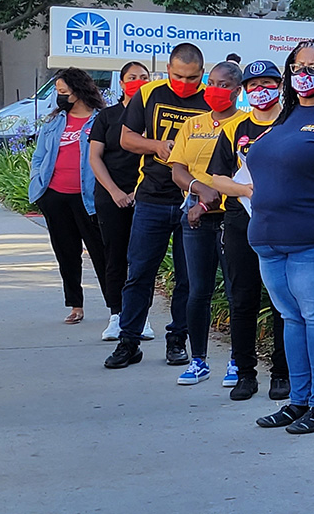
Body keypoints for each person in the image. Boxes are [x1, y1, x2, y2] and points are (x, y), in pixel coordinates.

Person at [247, 40, 314, 435]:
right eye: (297, 66)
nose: (303, 74)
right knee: (292, 319)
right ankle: (299, 400)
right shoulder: (286, 116)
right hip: (268, 240)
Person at [104, 43, 210, 369]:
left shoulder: (210, 97)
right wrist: (159, 146)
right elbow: (125, 139)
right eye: (178, 75)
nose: (184, 82)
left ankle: (177, 340)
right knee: (139, 274)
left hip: (193, 200)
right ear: (168, 68)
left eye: (192, 77)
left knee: (187, 279)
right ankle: (129, 341)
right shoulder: (149, 93)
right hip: (151, 196)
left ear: (202, 74)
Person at [208, 60, 291, 401]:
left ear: (280, 85)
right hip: (241, 221)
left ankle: (283, 374)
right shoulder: (234, 128)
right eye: (254, 86)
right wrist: (244, 190)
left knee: (282, 301)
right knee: (242, 297)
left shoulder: (292, 124)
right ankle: (244, 372)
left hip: (284, 222)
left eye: (268, 83)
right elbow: (217, 177)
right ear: (244, 91)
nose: (261, 91)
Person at [166, 60, 244, 385]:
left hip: (233, 218)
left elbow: (247, 173)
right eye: (211, 82)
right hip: (195, 218)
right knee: (197, 290)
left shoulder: (246, 124)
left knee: (236, 291)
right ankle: (198, 359)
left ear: (238, 91)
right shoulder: (192, 124)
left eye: (223, 85)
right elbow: (177, 170)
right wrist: (200, 192)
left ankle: (239, 362)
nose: (215, 90)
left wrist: (216, 198)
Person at [28, 68, 110, 325]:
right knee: (66, 254)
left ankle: (116, 308)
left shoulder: (101, 120)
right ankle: (76, 305)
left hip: (88, 200)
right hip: (55, 196)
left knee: (102, 254)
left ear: (78, 90)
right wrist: (38, 185)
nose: (59, 96)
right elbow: (39, 157)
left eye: (63, 91)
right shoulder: (54, 122)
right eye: (57, 92)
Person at [89, 62, 156, 341]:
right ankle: (116, 314)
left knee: (142, 258)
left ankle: (141, 316)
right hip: (111, 195)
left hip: (147, 194)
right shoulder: (108, 116)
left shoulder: (155, 116)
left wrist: (137, 192)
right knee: (114, 255)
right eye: (132, 78)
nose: (138, 81)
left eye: (144, 77)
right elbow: (95, 157)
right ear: (121, 81)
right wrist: (116, 192)